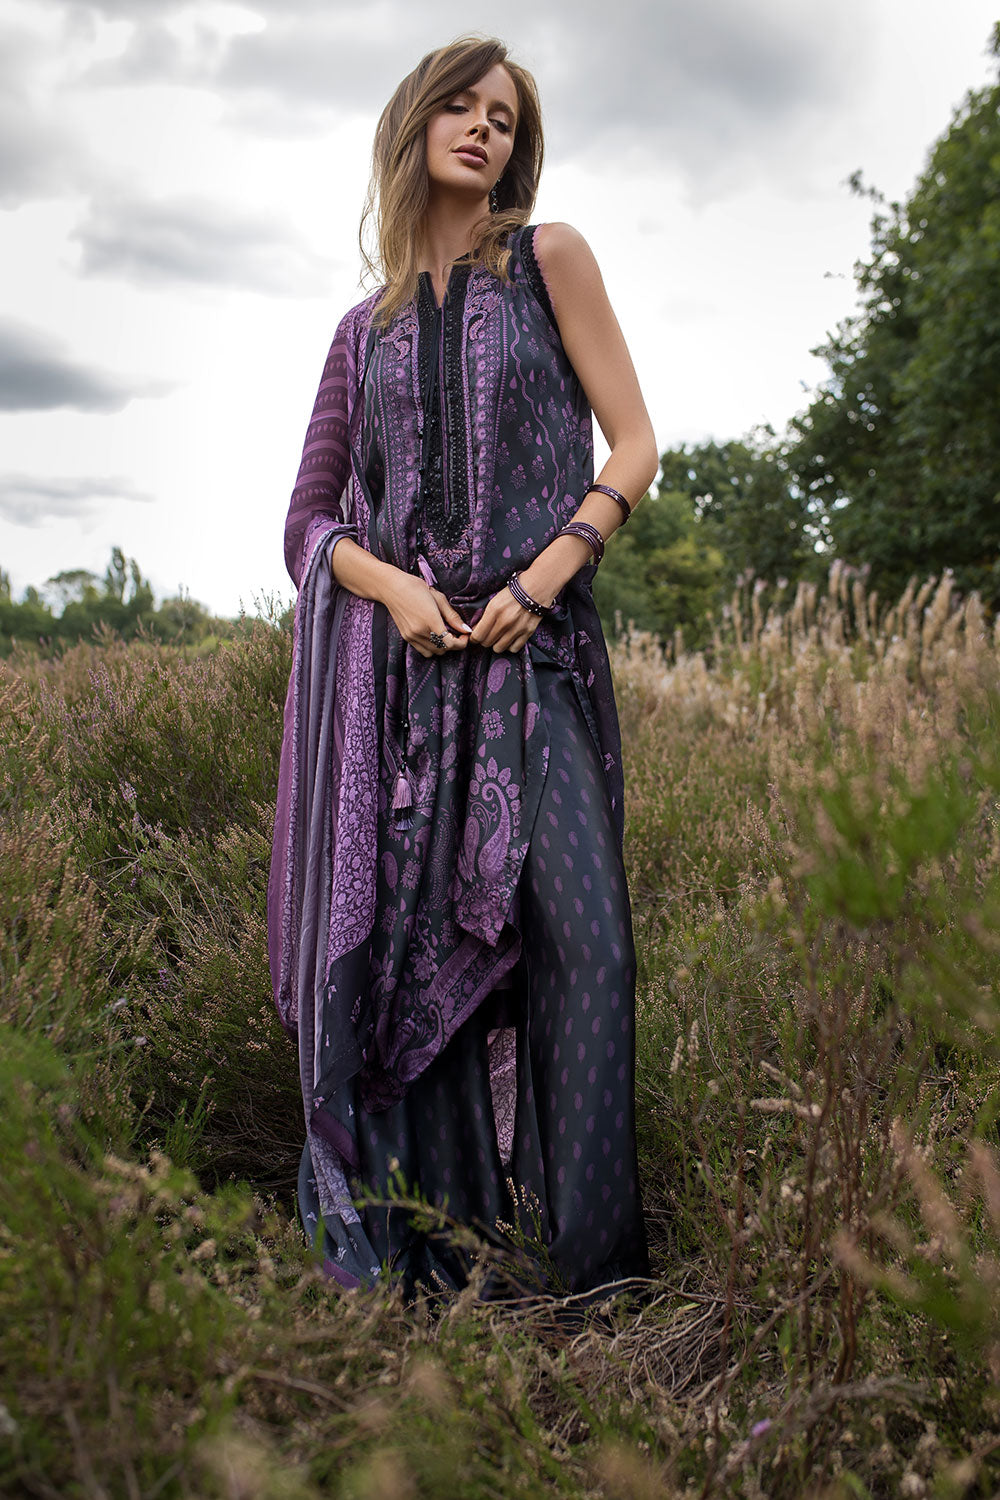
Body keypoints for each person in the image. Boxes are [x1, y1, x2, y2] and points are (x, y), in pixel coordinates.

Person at [267, 35, 659, 1300]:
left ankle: (597, 1284)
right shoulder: (360, 335)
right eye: (463, 105)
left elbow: (635, 443)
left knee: (588, 949)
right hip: (406, 701)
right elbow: (307, 520)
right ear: (415, 123)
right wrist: (390, 590)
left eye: (505, 116)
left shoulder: (549, 262)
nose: (485, 127)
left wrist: (547, 574)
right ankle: (440, 1261)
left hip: (534, 668)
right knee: (405, 990)